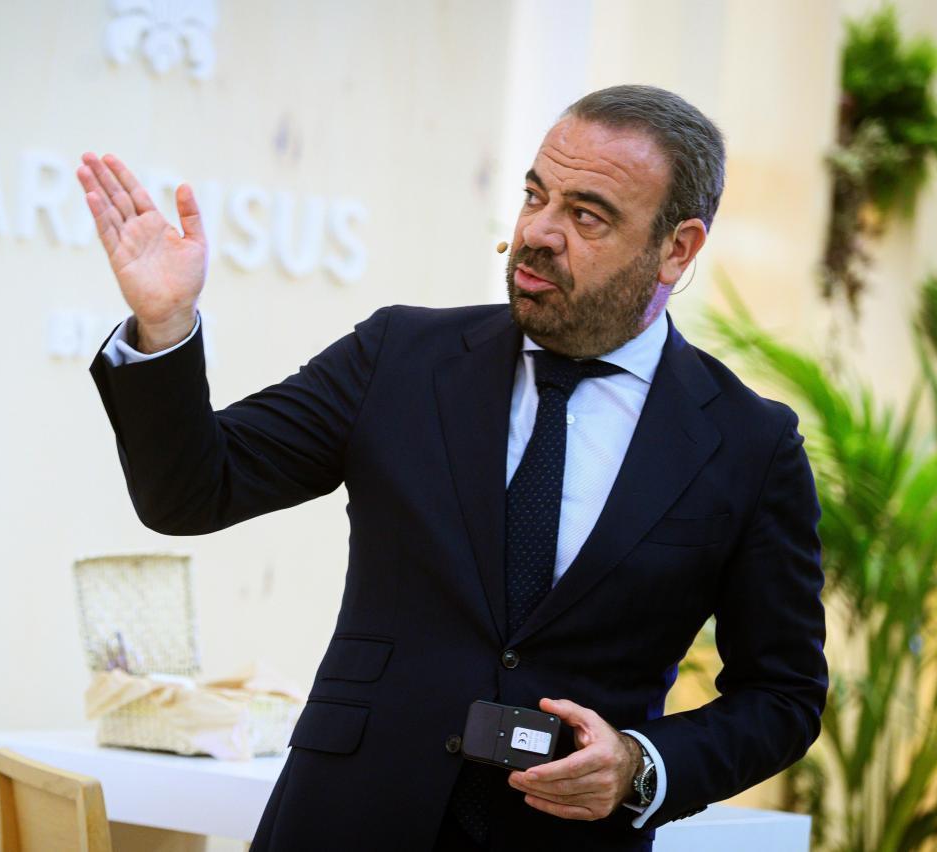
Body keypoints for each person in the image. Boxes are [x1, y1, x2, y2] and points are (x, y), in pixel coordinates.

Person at [77, 85, 828, 851]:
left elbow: (784, 695)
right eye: (535, 196)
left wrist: (641, 765)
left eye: (586, 216)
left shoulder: (749, 444)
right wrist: (165, 325)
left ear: (678, 248)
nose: (539, 232)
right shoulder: (399, 357)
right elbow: (193, 491)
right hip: (346, 824)